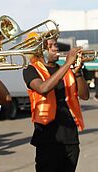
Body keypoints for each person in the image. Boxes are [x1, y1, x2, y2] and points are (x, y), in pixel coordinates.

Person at [22, 36, 90, 172]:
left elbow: (85, 96)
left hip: (70, 137)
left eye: (56, 45)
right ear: (40, 51)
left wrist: (78, 73)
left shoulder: (66, 70)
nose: (55, 48)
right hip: (47, 138)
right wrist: (67, 64)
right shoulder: (30, 69)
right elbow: (43, 88)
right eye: (51, 46)